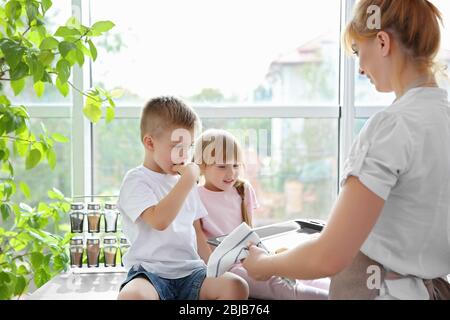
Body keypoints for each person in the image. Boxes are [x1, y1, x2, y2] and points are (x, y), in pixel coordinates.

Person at [242, 0, 450, 300]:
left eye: (357, 51)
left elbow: (329, 256)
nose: (360, 67)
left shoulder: (392, 126)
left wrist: (264, 264)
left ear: (382, 42)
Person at [116, 96, 249, 300]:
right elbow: (159, 220)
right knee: (133, 296)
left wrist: (215, 266)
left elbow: (196, 232)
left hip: (191, 271)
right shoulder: (136, 180)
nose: (184, 155)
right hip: (150, 274)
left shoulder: (184, 181)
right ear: (150, 143)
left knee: (236, 286)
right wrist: (187, 180)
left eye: (188, 147)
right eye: (177, 147)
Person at [194, 129, 329, 300]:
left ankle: (349, 294)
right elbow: (199, 241)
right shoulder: (195, 196)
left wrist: (265, 259)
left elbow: (250, 233)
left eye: (235, 165)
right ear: (202, 166)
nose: (231, 173)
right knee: (284, 288)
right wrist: (215, 273)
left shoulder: (242, 190)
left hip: (249, 259)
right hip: (226, 269)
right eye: (222, 166)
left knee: (298, 275)